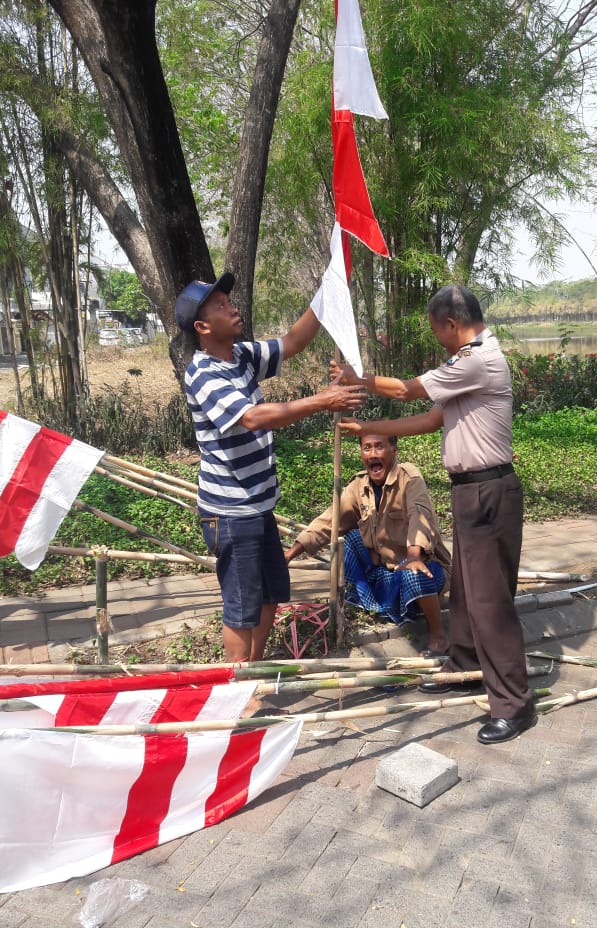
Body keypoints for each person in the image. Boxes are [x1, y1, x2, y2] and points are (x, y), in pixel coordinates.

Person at [335, 284, 536, 745]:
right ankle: (466, 668)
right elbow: (429, 420)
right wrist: (367, 429)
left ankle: (513, 703)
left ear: (450, 323)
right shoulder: (466, 363)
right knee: (466, 593)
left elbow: (408, 392)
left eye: (436, 331)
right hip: (472, 492)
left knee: (491, 602)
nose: (437, 340)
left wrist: (359, 379)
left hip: (488, 492)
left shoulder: (478, 360)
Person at [175, 272, 365, 663]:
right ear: (203, 326)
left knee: (270, 595)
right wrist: (321, 401)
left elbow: (295, 340)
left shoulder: (240, 356)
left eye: (230, 301)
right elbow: (253, 418)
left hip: (258, 507)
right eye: (222, 306)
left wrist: (327, 288)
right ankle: (238, 695)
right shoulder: (202, 373)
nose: (233, 308)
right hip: (230, 512)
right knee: (242, 608)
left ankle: (254, 677)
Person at [284, 432, 451, 654]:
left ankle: (437, 633)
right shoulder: (358, 485)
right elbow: (329, 521)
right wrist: (289, 554)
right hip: (386, 573)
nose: (373, 454)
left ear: (394, 450)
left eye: (379, 447)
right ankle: (373, 605)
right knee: (351, 538)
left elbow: (420, 515)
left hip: (423, 568)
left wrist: (413, 556)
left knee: (414, 575)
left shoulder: (410, 478)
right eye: (367, 448)